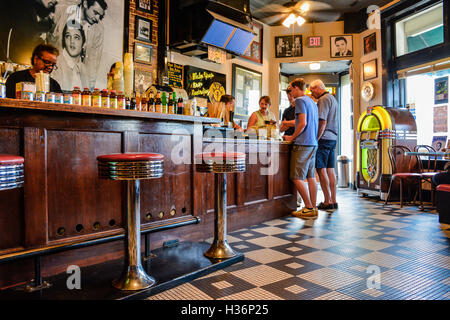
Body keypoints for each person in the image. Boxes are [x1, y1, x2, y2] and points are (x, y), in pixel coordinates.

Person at [49, 0, 108, 89]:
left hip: (78, 80)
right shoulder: (61, 12)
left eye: (100, 15)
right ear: (85, 4)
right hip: (55, 73)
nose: (97, 18)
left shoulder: (99, 30)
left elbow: (94, 62)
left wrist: (89, 88)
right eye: (95, 12)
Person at [283, 78, 319, 218]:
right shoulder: (312, 102)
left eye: (291, 89)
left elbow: (302, 123)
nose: (290, 92)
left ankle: (308, 207)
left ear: (297, 88)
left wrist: (292, 138)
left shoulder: (300, 101)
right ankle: (314, 207)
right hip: (313, 143)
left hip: (303, 143)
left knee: (296, 176)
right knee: (310, 176)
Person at [310, 79, 339, 211]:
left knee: (321, 169)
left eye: (312, 90)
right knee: (330, 169)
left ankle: (327, 201)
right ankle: (334, 200)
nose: (312, 93)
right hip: (333, 138)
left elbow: (322, 122)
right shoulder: (333, 99)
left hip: (324, 138)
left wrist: (316, 139)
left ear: (318, 88)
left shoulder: (323, 100)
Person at [51, 22, 86, 90]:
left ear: (83, 43)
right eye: (68, 36)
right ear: (64, 40)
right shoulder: (56, 65)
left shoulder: (84, 69)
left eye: (76, 37)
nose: (72, 41)